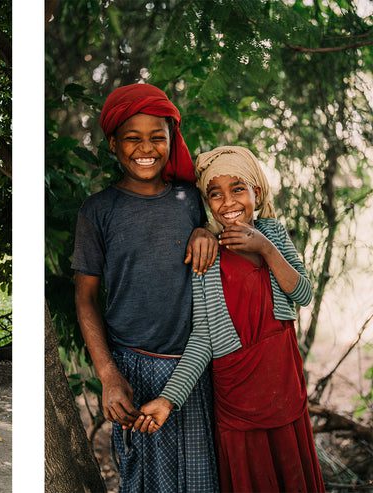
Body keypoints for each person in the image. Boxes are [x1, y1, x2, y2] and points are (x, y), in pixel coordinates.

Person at [135, 146, 324, 492]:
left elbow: (303, 295)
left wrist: (265, 247)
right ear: (207, 203)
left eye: (238, 188)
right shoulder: (208, 254)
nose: (228, 202)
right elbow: (204, 337)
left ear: (257, 191)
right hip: (237, 395)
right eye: (215, 194)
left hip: (282, 384)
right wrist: (168, 399)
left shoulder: (275, 234)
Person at [71, 83, 219, 492]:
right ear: (113, 143)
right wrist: (108, 375)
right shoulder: (98, 211)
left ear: (172, 140)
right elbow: (85, 298)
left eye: (158, 137)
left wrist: (207, 231)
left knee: (202, 477)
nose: (146, 148)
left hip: (194, 366)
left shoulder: (192, 200)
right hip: (132, 367)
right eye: (132, 138)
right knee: (145, 480)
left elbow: (232, 234)